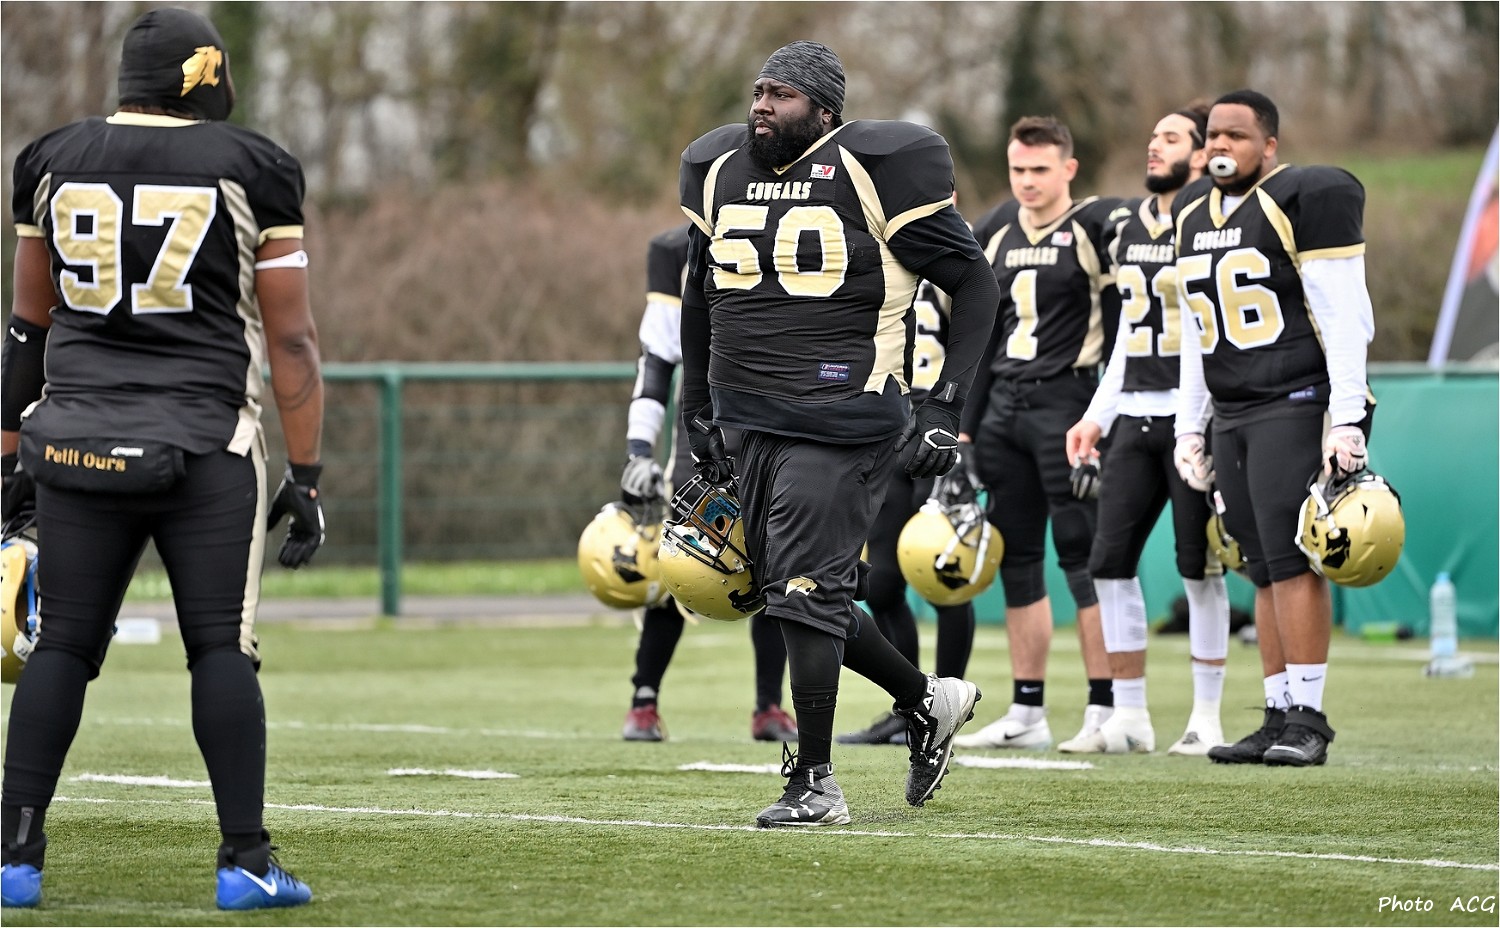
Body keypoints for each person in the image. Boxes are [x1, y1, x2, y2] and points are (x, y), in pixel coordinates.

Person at [0, 8, 321, 910]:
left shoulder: (50, 159)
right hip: (203, 444)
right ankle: (245, 861)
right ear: (206, 76)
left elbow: (25, 331)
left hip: (72, 442)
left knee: (63, 643)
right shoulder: (254, 166)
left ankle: (14, 856)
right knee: (220, 647)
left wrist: (8, 469)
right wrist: (307, 475)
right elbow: (292, 341)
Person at [678, 40, 997, 826]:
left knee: (802, 592)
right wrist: (695, 404)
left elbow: (974, 282)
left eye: (782, 95)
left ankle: (815, 784)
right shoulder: (718, 169)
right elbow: (698, 293)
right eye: (758, 90)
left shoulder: (874, 167)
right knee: (794, 594)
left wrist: (944, 406)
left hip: (844, 413)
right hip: (750, 415)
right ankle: (926, 699)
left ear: (824, 110)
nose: (761, 105)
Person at [1172, 89, 1376, 767]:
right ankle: (1276, 711)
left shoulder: (1301, 196)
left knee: (1293, 562)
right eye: (1213, 135)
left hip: (1294, 399)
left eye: (1236, 134)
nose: (1220, 145)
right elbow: (1197, 330)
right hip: (1231, 409)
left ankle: (1309, 719)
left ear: (1269, 145)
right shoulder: (1191, 213)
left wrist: (1346, 416)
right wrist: (1189, 425)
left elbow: (1344, 315)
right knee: (1256, 565)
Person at [1061, 104, 1233, 756]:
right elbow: (1131, 332)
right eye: (1153, 136)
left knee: (1197, 567)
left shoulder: (1210, 221)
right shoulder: (1128, 225)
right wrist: (1097, 413)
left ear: (1201, 153)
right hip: (1134, 411)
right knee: (1108, 564)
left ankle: (1207, 716)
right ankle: (1129, 714)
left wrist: (1197, 421)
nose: (1154, 146)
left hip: (1196, 417)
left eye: (1171, 137)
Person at [953, 116, 1124, 753]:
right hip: (1004, 407)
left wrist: (1108, 414)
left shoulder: (1094, 227)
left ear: (1068, 169)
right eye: (1018, 169)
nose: (1027, 181)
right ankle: (1027, 709)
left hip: (1069, 403)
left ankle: (1105, 707)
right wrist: (966, 429)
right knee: (1018, 558)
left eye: (1040, 170)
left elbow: (1125, 327)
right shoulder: (996, 228)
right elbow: (981, 334)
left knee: (1084, 556)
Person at [616, 223, 797, 744]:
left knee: (776, 565)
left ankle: (769, 705)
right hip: (704, 434)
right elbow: (656, 363)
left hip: (775, 425)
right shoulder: (677, 249)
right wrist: (638, 449)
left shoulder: (792, 228)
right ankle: (644, 699)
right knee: (679, 562)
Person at [837, 279, 982, 746]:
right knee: (881, 585)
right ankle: (913, 704)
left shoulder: (953, 268)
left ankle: (949, 707)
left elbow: (979, 345)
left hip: (939, 427)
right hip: (887, 425)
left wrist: (964, 431)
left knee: (945, 576)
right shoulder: (868, 259)